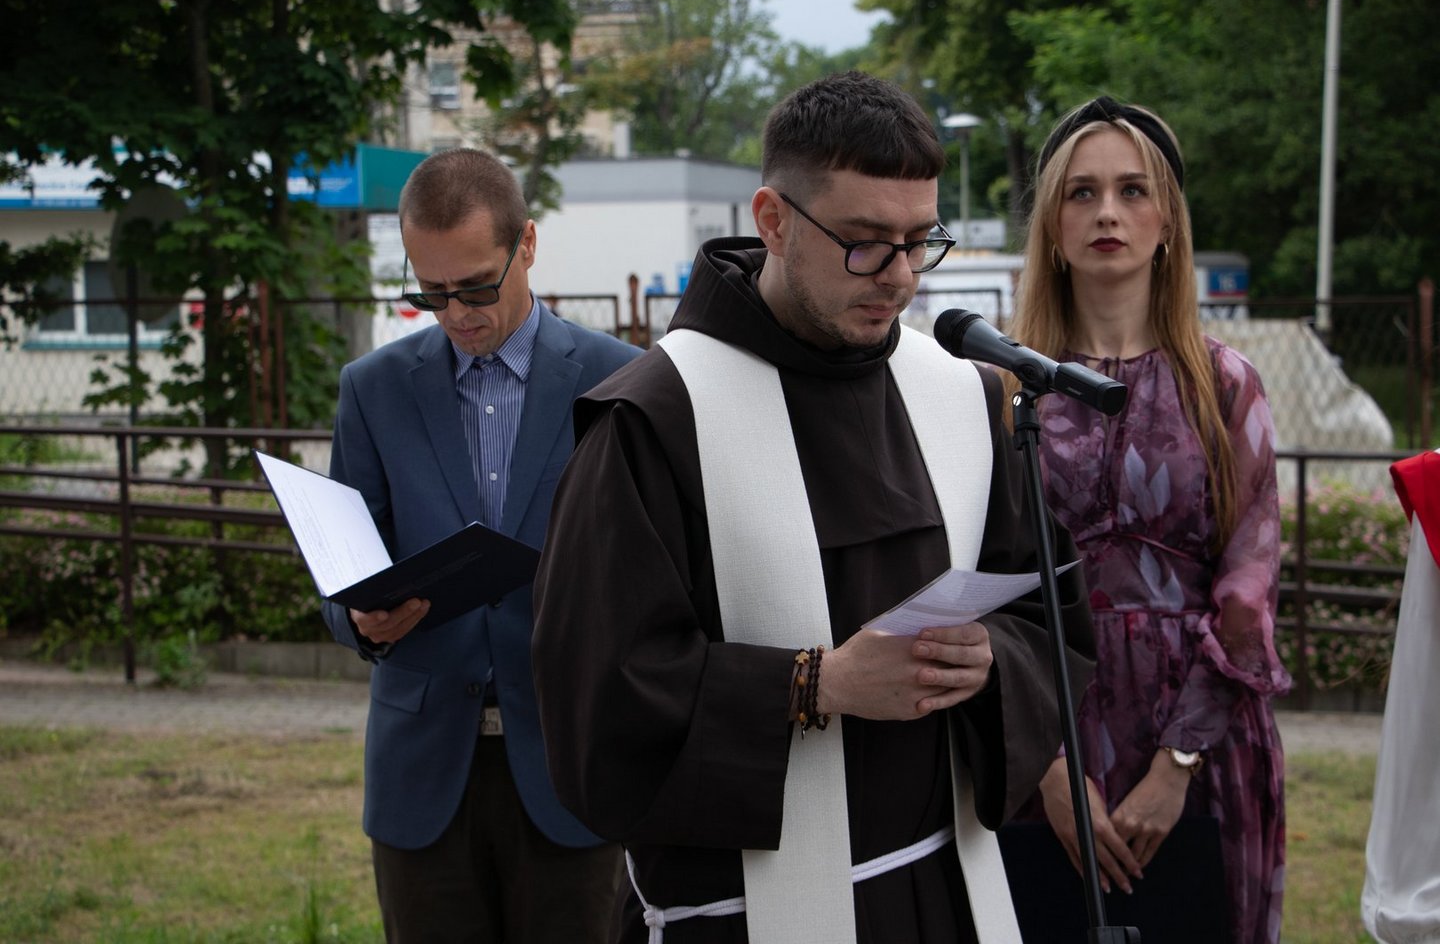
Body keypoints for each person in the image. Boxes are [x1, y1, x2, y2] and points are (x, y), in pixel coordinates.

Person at [530, 70, 1095, 944]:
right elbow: (598, 700)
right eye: (864, 243)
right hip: (742, 916)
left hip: (948, 894)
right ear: (773, 220)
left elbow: (1048, 616)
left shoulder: (963, 397)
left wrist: (989, 659)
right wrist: (816, 684)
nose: (899, 277)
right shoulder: (656, 420)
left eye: (919, 242)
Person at [321, 147, 642, 943]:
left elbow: (659, 575)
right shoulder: (372, 389)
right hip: (422, 773)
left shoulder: (623, 381)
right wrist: (359, 620)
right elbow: (339, 572)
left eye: (474, 287)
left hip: (572, 766)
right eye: (430, 293)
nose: (456, 313)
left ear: (526, 245)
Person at [1005, 97, 1290, 944]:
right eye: (1082, 192)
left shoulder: (1223, 383)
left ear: (1167, 221)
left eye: (1132, 190)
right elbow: (988, 588)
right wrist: (1048, 767)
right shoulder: (1001, 388)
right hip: (1049, 733)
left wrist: (1178, 764)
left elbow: (1249, 584)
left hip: (1202, 742)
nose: (1107, 213)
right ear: (1052, 224)